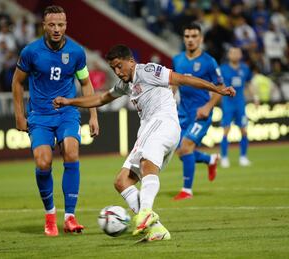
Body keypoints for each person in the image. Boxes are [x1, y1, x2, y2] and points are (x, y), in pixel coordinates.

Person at [53, 44, 235, 241]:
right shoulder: (125, 85)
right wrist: (70, 102)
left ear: (131, 62)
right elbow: (100, 98)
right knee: (122, 182)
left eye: (119, 66)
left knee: (146, 162)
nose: (117, 71)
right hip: (150, 130)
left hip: (163, 122)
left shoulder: (147, 70)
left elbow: (183, 79)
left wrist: (216, 89)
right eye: (113, 68)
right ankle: (156, 229)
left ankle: (146, 212)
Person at [12, 5, 99, 237]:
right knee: (43, 163)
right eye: (52, 24)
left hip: (66, 113)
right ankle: (50, 215)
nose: (57, 29)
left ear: (66, 25)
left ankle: (70, 217)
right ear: (44, 26)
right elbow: (17, 82)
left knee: (71, 151)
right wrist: (19, 115)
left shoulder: (77, 52)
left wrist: (93, 114)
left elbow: (86, 83)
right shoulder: (31, 52)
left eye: (60, 24)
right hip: (39, 116)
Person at [172, 23, 225, 201]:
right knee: (180, 152)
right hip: (182, 113)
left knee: (186, 146)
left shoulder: (209, 61)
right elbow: (174, 82)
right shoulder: (177, 59)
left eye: (194, 36)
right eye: (187, 36)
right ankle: (210, 160)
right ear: (183, 39)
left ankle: (187, 191)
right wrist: (170, 101)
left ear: (201, 39)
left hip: (201, 113)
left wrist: (208, 107)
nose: (190, 40)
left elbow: (220, 87)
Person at [220, 47, 255, 168]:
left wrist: (255, 97)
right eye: (232, 52)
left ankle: (243, 157)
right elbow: (218, 84)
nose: (234, 54)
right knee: (226, 129)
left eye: (237, 52)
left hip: (240, 103)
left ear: (240, 55)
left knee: (244, 130)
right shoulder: (223, 69)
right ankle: (224, 157)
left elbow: (249, 83)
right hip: (227, 103)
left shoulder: (245, 68)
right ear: (228, 55)